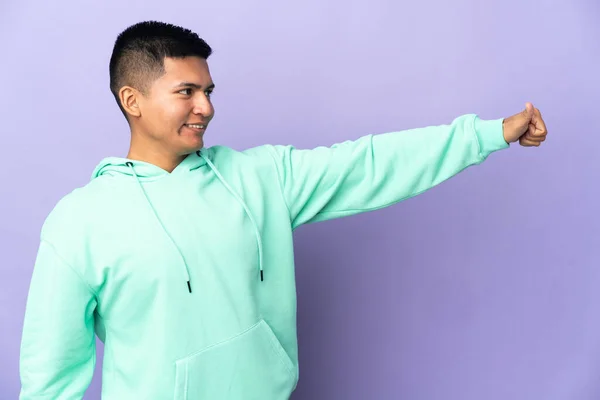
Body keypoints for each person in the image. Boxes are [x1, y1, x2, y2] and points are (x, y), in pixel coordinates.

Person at [18, 20, 548, 400]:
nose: (207, 107)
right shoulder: (79, 222)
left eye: (208, 90)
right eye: (186, 91)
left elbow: (369, 163)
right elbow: (50, 374)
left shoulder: (261, 176)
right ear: (132, 100)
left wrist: (487, 134)